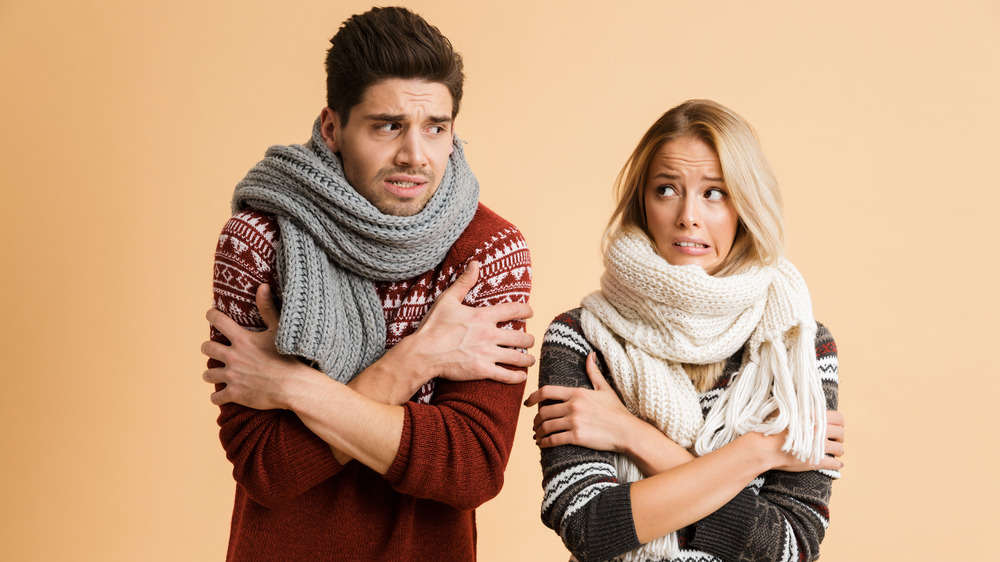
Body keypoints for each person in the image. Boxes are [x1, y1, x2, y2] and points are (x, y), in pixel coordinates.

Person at [200, 7, 533, 560]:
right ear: (332, 127)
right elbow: (267, 468)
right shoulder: (260, 239)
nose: (415, 155)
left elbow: (471, 468)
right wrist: (417, 360)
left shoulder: (489, 252)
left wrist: (291, 387)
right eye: (388, 125)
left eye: (436, 128)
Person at [524, 99, 845, 562]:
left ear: (745, 206)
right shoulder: (582, 336)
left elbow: (789, 546)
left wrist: (631, 435)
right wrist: (762, 453)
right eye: (667, 189)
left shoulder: (796, 344)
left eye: (714, 193)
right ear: (643, 201)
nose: (687, 216)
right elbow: (590, 528)